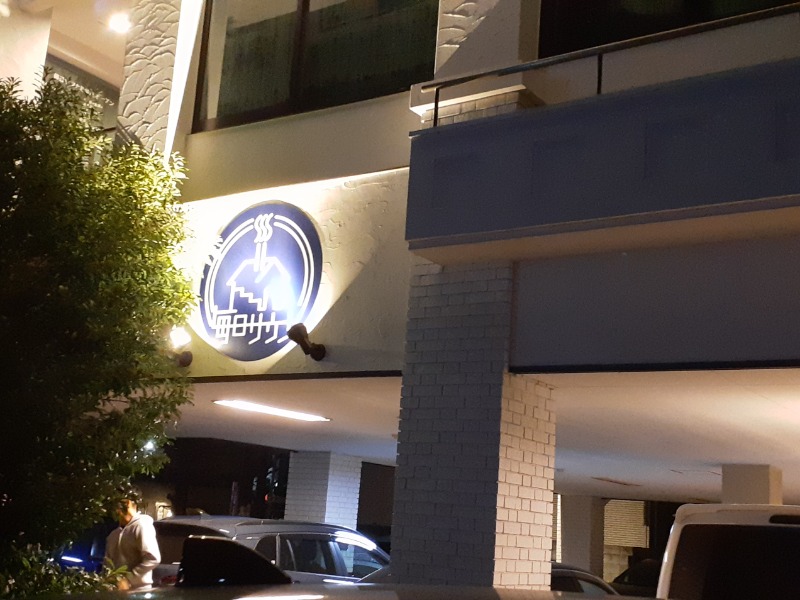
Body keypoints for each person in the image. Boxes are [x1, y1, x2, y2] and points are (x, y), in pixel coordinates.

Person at [105, 497, 161, 589]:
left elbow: (153, 558)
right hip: (116, 591)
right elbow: (107, 563)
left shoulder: (142, 526)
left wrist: (128, 580)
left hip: (139, 590)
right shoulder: (113, 535)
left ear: (128, 503)